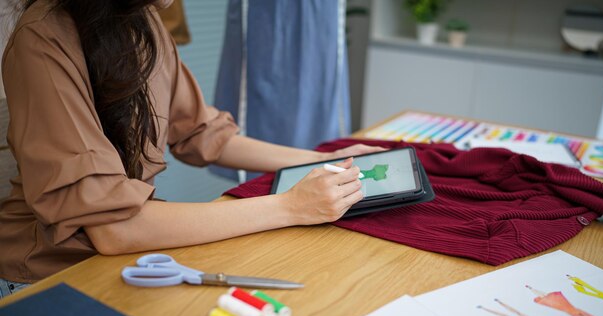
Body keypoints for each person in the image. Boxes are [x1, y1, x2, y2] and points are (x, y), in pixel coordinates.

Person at [0, 0, 384, 291]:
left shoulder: (145, 21)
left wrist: (325, 158)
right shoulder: (43, 37)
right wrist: (290, 207)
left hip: (122, 258)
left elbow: (202, 133)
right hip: (45, 277)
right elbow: (112, 228)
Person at [212, 0, 351, 181]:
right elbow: (202, 139)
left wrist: (327, 158)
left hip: (320, 13)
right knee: (263, 113)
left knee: (319, 109)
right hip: (268, 13)